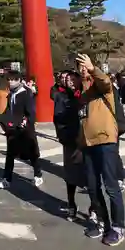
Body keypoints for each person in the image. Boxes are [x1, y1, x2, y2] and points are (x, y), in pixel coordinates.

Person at [77, 53, 125, 245]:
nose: (82, 70)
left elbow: (104, 81)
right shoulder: (83, 93)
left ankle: (119, 226)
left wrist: (92, 67)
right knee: (93, 187)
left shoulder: (104, 88)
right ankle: (104, 223)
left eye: (84, 66)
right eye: (79, 66)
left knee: (111, 187)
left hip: (105, 141)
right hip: (87, 144)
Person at [0, 70, 43, 189]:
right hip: (13, 130)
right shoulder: (11, 93)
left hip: (25, 130)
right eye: (9, 80)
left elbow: (31, 113)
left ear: (19, 80)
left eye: (13, 80)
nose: (10, 82)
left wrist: (25, 122)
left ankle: (38, 175)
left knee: (32, 154)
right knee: (10, 155)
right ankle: (7, 179)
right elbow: (8, 110)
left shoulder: (26, 93)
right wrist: (4, 121)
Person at [52, 70, 85, 221]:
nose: (69, 81)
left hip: (87, 141)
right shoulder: (60, 96)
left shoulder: (86, 95)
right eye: (66, 79)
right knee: (70, 175)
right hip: (70, 141)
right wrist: (63, 136)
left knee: (89, 177)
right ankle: (71, 203)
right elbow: (57, 119)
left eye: (72, 79)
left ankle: (94, 208)